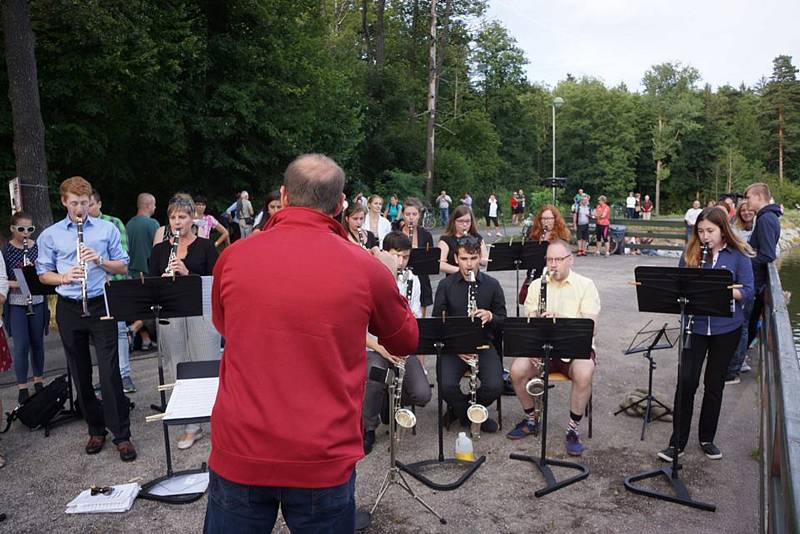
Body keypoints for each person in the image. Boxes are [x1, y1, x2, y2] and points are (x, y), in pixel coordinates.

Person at [205, 154, 418, 532]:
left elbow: (225, 326)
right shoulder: (364, 266)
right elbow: (405, 339)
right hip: (322, 452)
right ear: (339, 205)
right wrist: (388, 275)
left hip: (243, 447)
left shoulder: (233, 257)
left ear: (284, 197)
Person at [36, 176, 136, 462]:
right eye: (76, 203)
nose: (81, 208)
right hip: (69, 305)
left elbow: (123, 264)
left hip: (100, 302)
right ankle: (95, 429)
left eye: (85, 202)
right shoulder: (51, 234)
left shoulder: (105, 229)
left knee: (109, 371)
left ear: (91, 201)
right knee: (79, 372)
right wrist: (65, 276)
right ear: (64, 201)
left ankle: (121, 434)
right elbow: (44, 274)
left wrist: (99, 261)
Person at [657, 207, 754, 462]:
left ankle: (706, 438)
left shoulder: (738, 255)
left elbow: (748, 291)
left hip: (726, 329)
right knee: (686, 382)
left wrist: (720, 289)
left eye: (710, 231)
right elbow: (678, 285)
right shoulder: (691, 252)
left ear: (723, 230)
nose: (704, 236)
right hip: (695, 327)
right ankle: (677, 442)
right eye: (700, 231)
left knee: (714, 385)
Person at [508, 239, 600, 456]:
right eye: (549, 259)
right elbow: (529, 322)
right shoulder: (537, 285)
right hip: (542, 348)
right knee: (516, 371)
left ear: (571, 260)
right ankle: (531, 419)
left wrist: (560, 320)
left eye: (558, 259)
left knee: (585, 372)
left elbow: (592, 327)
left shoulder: (586, 285)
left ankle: (572, 429)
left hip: (575, 349)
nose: (553, 264)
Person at [150, 196, 220, 450]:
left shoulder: (206, 246)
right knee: (177, 366)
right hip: (171, 314)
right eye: (173, 217)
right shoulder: (160, 250)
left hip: (201, 312)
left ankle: (218, 422)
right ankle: (192, 427)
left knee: (208, 366)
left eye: (182, 217)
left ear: (193, 219)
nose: (177, 222)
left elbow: (216, 281)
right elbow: (151, 282)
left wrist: (188, 274)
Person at [362, 232, 431, 454]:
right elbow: (358, 329)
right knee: (374, 377)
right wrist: (380, 348)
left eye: (405, 257)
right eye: (395, 256)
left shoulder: (414, 280)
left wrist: (406, 347)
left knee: (422, 394)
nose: (400, 262)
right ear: (384, 254)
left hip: (401, 349)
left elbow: (414, 319)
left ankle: (388, 403)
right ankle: (368, 428)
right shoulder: (368, 279)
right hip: (375, 347)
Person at [433, 235, 505, 434]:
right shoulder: (445, 286)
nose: (469, 264)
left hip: (482, 345)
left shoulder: (492, 285)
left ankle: (462, 410)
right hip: (453, 348)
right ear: (456, 258)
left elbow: (503, 320)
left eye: (473, 258)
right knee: (446, 385)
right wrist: (455, 347)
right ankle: (469, 415)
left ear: (479, 257)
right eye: (464, 259)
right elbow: (437, 322)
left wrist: (490, 316)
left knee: (495, 385)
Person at [88, 190, 136, 394]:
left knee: (119, 331)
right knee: (98, 336)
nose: (85, 209)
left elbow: (123, 256)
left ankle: (124, 374)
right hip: (91, 288)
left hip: (113, 284)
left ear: (99, 204)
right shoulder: (79, 227)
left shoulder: (113, 223)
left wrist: (111, 276)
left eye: (89, 204)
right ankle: (107, 376)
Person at [3, 213, 39, 404]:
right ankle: (22, 386)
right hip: (17, 300)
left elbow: (44, 271)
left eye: (30, 229)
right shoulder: (6, 250)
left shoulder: (36, 247)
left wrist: (35, 273)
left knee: (37, 342)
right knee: (21, 344)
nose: (26, 233)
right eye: (21, 229)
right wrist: (17, 282)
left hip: (36, 299)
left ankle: (39, 380)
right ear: (12, 229)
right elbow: (1, 279)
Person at [744, 183, 782, 347]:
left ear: (759, 197)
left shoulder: (766, 219)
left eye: (748, 197)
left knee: (748, 325)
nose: (746, 202)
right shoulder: (766, 216)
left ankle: (735, 366)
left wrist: (744, 263)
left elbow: (767, 254)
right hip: (757, 281)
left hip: (756, 283)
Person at [725, 202, 757, 384]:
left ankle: (736, 366)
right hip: (737, 279)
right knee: (738, 324)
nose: (746, 213)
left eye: (749, 210)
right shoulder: (734, 228)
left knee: (743, 325)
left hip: (746, 281)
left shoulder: (760, 227)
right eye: (743, 210)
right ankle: (733, 363)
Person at [125, 193, 159, 351]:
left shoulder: (128, 224)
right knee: (151, 305)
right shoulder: (152, 224)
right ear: (148, 205)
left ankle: (145, 340)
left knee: (139, 307)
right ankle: (133, 329)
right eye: (154, 205)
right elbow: (159, 248)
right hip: (147, 270)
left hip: (130, 271)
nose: (155, 208)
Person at [399, 197, 434, 316]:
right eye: (408, 214)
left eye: (414, 214)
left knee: (420, 319)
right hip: (400, 280)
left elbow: (431, 261)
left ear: (419, 215)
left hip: (421, 279)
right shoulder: (395, 234)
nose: (411, 217)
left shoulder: (426, 235)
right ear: (403, 215)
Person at [438, 205, 489, 275]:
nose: (464, 224)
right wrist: (462, 271)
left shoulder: (477, 237)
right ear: (454, 222)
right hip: (454, 279)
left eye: (468, 221)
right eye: (460, 221)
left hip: (474, 277)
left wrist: (477, 260)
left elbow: (485, 259)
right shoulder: (446, 239)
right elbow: (440, 264)